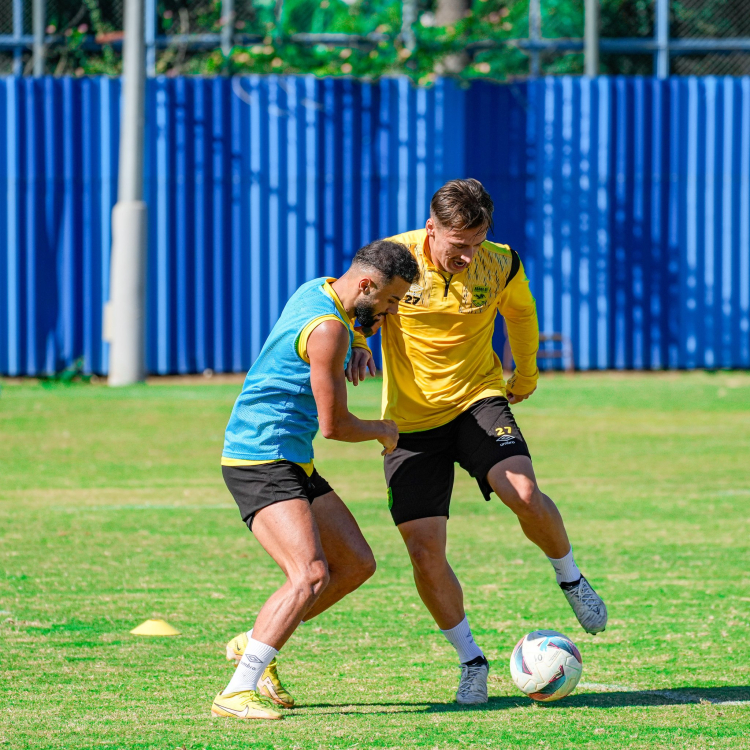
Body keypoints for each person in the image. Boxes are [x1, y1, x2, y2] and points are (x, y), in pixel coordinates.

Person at [349, 178, 607, 705]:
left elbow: (521, 313)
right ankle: (472, 662)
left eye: (477, 241)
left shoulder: (501, 262)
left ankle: (571, 578)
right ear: (430, 229)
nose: (468, 255)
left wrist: (526, 373)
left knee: (525, 493)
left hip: (478, 400)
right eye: (457, 244)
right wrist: (356, 340)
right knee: (424, 553)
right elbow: (352, 300)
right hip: (410, 423)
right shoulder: (395, 260)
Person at [212, 240, 418, 721]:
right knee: (310, 575)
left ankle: (254, 643)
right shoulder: (328, 331)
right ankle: (236, 691)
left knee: (357, 564)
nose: (390, 313)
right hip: (260, 459)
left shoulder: (320, 289)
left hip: (291, 459)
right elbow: (335, 426)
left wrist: (363, 342)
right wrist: (384, 432)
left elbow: (352, 320)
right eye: (389, 302)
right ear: (366, 285)